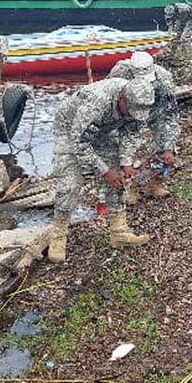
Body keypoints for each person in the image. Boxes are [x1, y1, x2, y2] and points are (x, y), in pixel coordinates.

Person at [48, 76, 156, 262]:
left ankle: (119, 232)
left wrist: (126, 161)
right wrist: (104, 170)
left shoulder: (140, 103)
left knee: (117, 179)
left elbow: (131, 134)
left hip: (106, 129)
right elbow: (80, 143)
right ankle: (58, 238)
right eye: (131, 111)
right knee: (70, 184)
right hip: (70, 130)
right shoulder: (97, 103)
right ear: (122, 99)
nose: (134, 115)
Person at [108, 52, 181, 201]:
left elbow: (170, 114)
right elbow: (111, 97)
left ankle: (155, 182)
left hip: (155, 111)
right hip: (127, 113)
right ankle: (130, 186)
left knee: (164, 146)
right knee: (124, 146)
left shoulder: (164, 79)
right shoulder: (120, 72)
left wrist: (168, 146)